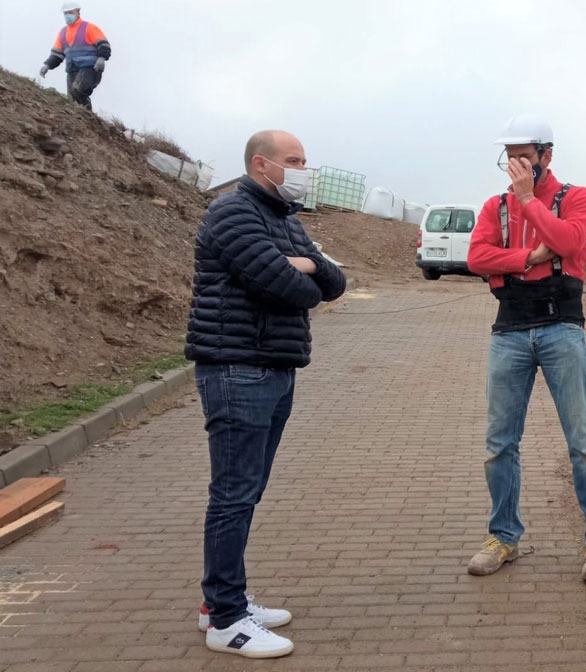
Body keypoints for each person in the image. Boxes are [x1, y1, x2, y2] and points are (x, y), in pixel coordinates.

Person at [186, 130, 346, 659]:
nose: (304, 169)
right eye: (294, 161)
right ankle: (226, 620)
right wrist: (303, 270)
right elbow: (291, 288)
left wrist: (309, 265)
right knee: (233, 494)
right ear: (262, 164)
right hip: (237, 370)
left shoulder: (282, 218)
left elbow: (335, 282)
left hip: (272, 369)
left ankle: (223, 600)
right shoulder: (232, 213)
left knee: (246, 491)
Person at [465, 114, 586, 582]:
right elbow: (476, 257)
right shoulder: (495, 206)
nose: (513, 166)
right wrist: (528, 258)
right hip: (509, 329)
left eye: (522, 158)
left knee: (584, 441)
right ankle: (503, 537)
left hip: (561, 328)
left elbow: (571, 241)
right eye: (508, 158)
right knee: (499, 443)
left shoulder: (577, 198)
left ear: (545, 157)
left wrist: (531, 201)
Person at [38, 2, 110, 110]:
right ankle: (84, 118)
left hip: (90, 68)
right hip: (72, 70)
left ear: (78, 12)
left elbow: (103, 44)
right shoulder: (63, 33)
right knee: (72, 98)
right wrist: (47, 65)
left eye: (70, 12)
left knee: (79, 90)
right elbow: (57, 54)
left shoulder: (89, 28)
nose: (68, 15)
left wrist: (101, 58)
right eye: (65, 13)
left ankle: (87, 116)